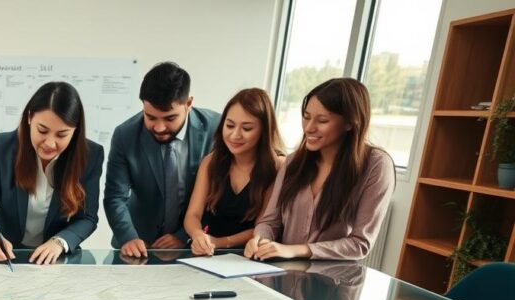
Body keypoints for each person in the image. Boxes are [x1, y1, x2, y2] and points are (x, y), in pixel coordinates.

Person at [244, 78, 396, 261]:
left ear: (350, 123)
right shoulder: (293, 162)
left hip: (332, 281)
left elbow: (360, 243)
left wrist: (297, 250)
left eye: (322, 120)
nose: (309, 128)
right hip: (281, 272)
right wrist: (261, 239)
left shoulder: (376, 166)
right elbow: (270, 221)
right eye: (306, 117)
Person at [0, 81, 104, 265]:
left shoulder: (91, 156)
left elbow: (88, 218)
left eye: (62, 135)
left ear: (75, 130)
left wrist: (59, 242)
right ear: (30, 117)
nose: (50, 143)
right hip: (6, 257)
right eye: (42, 130)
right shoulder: (2, 146)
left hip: (57, 259)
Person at [104, 62, 221, 258]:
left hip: (195, 247)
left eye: (169, 118)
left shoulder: (216, 129)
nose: (158, 127)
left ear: (189, 104)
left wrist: (185, 236)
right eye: (150, 117)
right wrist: (129, 237)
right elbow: (115, 197)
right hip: (137, 247)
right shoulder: (125, 135)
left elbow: (217, 195)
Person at [184, 88, 285, 255]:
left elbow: (264, 226)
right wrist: (198, 235)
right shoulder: (211, 161)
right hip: (205, 252)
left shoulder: (277, 167)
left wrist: (221, 242)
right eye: (229, 125)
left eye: (247, 128)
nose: (234, 135)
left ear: (264, 131)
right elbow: (193, 214)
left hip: (246, 256)